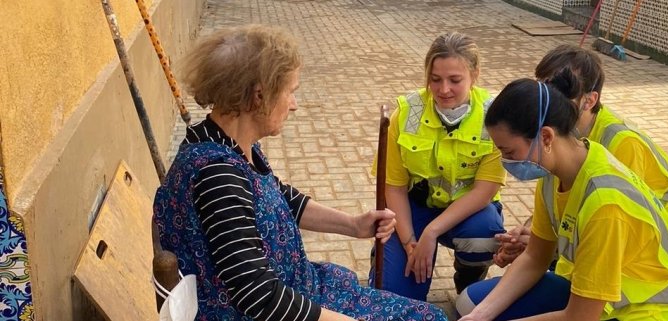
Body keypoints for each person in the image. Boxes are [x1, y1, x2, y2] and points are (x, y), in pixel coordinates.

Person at [153, 25, 447, 321]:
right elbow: (258, 297)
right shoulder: (218, 177)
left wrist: (354, 226)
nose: (294, 105)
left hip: (298, 290)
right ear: (259, 96)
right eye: (290, 92)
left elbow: (280, 197)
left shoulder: (221, 141)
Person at [456, 76, 668, 320]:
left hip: (660, 312)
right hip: (612, 302)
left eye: (509, 151)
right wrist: (480, 316)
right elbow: (535, 258)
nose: (506, 161)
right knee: (471, 305)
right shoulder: (554, 174)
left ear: (545, 137)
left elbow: (579, 317)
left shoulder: (605, 204)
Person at [494, 44, 668, 268]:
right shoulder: (555, 132)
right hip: (620, 229)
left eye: (560, 93)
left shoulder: (622, 143)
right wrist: (529, 232)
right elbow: (555, 197)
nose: (548, 102)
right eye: (544, 90)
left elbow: (617, 222)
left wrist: (545, 247)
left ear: (589, 100)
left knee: (565, 266)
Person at [368, 32, 507, 301]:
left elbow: (484, 191)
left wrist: (432, 232)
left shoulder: (494, 117)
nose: (444, 90)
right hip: (414, 211)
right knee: (393, 300)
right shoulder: (406, 112)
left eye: (455, 80)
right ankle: (389, 254)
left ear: (475, 75)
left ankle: (468, 279)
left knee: (485, 234)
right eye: (435, 80)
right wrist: (410, 243)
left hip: (468, 214)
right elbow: (393, 187)